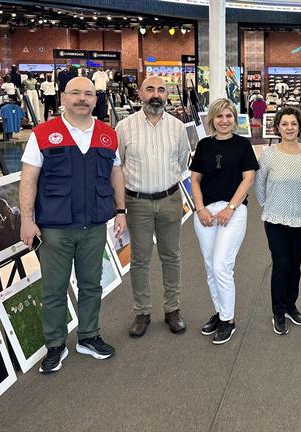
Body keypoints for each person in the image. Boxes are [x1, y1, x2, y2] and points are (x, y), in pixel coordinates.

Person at [19, 77, 126, 374]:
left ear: (96, 99)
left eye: (88, 94)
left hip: (94, 226)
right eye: (75, 93)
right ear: (63, 98)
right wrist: (27, 219)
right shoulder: (42, 134)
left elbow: (116, 174)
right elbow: (28, 179)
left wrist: (121, 211)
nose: (82, 98)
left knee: (92, 284)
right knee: (54, 288)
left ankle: (89, 336)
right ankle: (55, 343)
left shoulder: (108, 135)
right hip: (55, 228)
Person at [117, 76, 190, 338]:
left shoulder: (177, 127)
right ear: (140, 94)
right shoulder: (124, 127)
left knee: (172, 256)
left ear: (167, 95)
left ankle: (172, 309)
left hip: (170, 200)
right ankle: (142, 312)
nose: (156, 94)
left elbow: (182, 161)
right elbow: (118, 166)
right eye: (150, 89)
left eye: (161, 90)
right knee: (139, 259)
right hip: (136, 203)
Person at [190, 98, 259, 345]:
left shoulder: (242, 144)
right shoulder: (204, 145)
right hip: (206, 212)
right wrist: (200, 209)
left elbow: (248, 179)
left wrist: (230, 208)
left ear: (234, 119)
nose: (224, 120)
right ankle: (220, 313)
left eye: (229, 115)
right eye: (219, 116)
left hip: (234, 210)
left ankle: (228, 319)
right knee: (210, 266)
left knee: (221, 264)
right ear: (212, 119)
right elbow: (195, 179)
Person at [255, 107, 301, 335]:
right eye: (284, 124)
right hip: (275, 218)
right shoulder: (269, 154)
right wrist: (268, 205)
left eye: (293, 123)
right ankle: (279, 311)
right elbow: (259, 184)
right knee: (281, 264)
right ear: (277, 128)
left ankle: (291, 305)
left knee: (295, 265)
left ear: (299, 127)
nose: (289, 128)